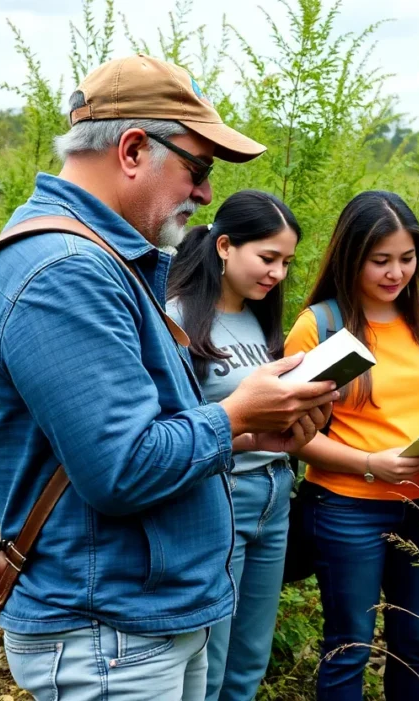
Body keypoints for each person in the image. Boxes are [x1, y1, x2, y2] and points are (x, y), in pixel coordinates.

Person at [0, 55, 336, 699]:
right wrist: (234, 415)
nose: (205, 195)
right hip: (108, 635)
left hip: (142, 622)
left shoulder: (105, 260)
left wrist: (251, 433)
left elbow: (144, 433)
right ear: (133, 149)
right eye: (198, 169)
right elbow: (122, 469)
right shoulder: (64, 274)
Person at [284, 191, 419, 701]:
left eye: (407, 259)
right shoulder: (321, 327)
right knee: (348, 645)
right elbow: (295, 436)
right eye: (381, 261)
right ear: (352, 257)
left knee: (415, 644)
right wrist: (371, 464)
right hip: (347, 509)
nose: (396, 273)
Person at [166, 190, 305, 700]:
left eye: (286, 262)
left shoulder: (258, 316)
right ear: (225, 246)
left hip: (275, 496)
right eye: (267, 258)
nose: (278, 274)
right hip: (222, 494)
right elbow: (172, 425)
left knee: (250, 659)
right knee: (213, 660)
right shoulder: (177, 316)